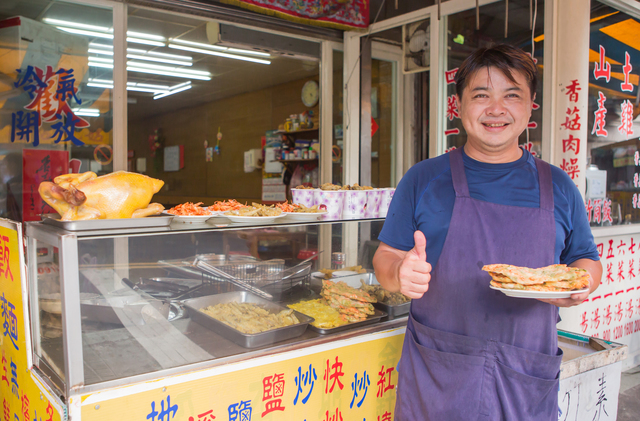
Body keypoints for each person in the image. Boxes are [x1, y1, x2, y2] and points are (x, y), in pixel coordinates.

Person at [372, 44, 602, 421]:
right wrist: (399, 273)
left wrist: (581, 283)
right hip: (437, 374)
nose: (496, 109)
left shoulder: (558, 185)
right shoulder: (424, 179)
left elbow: (586, 259)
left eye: (512, 95)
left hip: (524, 375)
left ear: (530, 107)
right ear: (458, 105)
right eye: (481, 95)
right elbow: (386, 256)